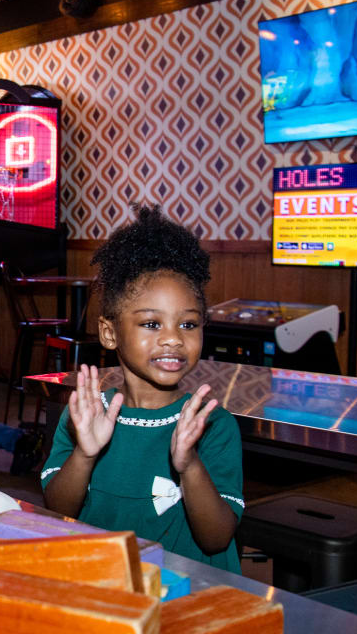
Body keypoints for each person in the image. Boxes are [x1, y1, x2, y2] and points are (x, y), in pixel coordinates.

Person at [41, 204, 242, 572]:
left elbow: (217, 539)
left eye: (188, 324)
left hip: (187, 599)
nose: (172, 339)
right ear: (109, 333)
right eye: (151, 324)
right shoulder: (87, 416)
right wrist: (85, 454)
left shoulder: (212, 424)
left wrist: (189, 464)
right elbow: (58, 511)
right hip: (107, 588)